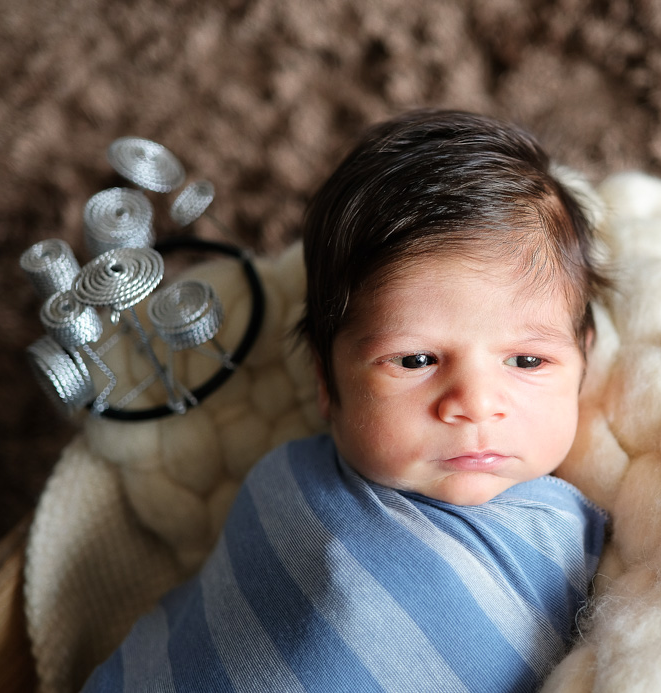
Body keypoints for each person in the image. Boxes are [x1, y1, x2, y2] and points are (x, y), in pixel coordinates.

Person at [81, 110, 611, 693]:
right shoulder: (286, 483)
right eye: (415, 360)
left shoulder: (575, 543)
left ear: (583, 359)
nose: (475, 405)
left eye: (528, 362)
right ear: (326, 384)